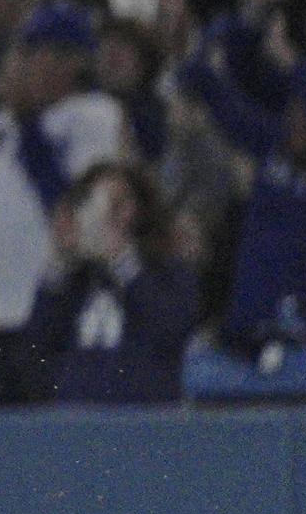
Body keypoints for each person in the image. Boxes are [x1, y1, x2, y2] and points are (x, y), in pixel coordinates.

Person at [0, 4, 127, 400]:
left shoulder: (93, 115)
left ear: (73, 61)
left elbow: (75, 213)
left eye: (33, 52)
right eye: (21, 52)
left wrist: (27, 124)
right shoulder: (6, 121)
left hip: (38, 314)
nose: (19, 64)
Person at [24, 160, 193, 404]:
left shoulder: (168, 271)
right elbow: (35, 349)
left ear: (140, 209)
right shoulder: (74, 281)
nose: (106, 215)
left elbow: (169, 331)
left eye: (118, 203)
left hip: (144, 421)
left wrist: (123, 262)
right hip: (75, 420)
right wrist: (59, 264)